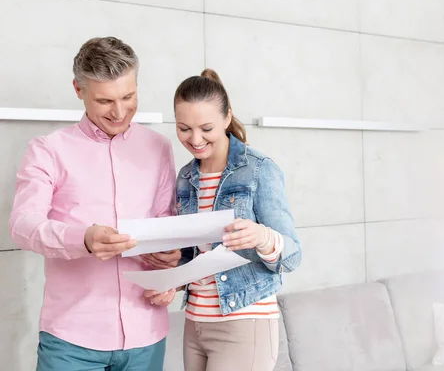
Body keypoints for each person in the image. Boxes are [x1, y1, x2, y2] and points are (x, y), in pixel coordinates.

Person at [9, 36, 181, 371]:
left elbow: (166, 224)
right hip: (72, 341)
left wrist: (169, 269)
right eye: (105, 100)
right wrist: (83, 239)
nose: (119, 112)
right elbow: (21, 225)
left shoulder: (158, 147)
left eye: (129, 97)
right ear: (78, 89)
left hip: (146, 334)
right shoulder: (48, 149)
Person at [155, 69, 301, 371]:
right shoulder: (185, 177)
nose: (195, 139)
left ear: (226, 118)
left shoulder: (259, 170)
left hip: (245, 323)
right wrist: (172, 275)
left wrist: (262, 237)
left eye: (206, 128)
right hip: (195, 322)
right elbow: (197, 256)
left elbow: (292, 255)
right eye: (184, 128)